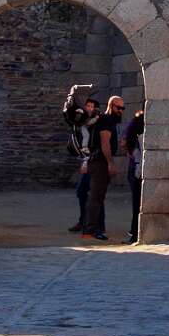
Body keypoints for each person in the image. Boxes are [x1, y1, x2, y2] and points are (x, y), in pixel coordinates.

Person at [81, 94, 126, 242]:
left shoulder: (104, 120)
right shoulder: (106, 120)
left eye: (123, 108)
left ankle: (97, 228)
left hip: (97, 161)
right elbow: (104, 143)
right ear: (111, 106)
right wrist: (110, 163)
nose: (121, 111)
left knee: (98, 197)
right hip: (100, 162)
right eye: (119, 108)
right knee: (96, 197)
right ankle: (91, 229)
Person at [61, 86, 99, 234]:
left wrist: (86, 161)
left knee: (86, 192)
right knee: (83, 192)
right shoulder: (81, 119)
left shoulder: (96, 121)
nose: (89, 108)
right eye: (87, 106)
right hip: (86, 160)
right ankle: (85, 222)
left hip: (92, 161)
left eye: (92, 106)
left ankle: (90, 224)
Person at [123, 102, 146, 241]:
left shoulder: (135, 123)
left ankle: (134, 232)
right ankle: (135, 232)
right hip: (140, 167)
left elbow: (125, 143)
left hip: (135, 167)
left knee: (136, 202)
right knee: (139, 202)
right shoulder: (142, 125)